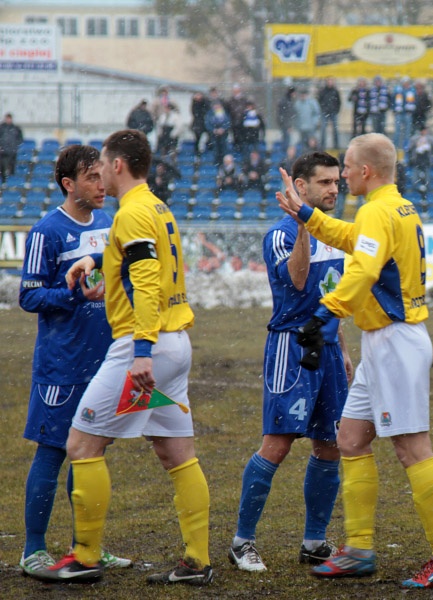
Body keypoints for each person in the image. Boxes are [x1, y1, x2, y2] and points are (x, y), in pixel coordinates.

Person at [275, 133, 433, 589]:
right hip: (385, 340)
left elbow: (362, 270)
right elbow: (356, 243)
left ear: (364, 171)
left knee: (412, 447)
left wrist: (326, 312)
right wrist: (307, 214)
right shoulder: (393, 205)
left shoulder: (378, 210)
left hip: (396, 341)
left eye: (346, 167)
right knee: (351, 437)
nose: (341, 175)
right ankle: (359, 548)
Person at [38, 129, 212, 586]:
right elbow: (135, 254)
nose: (100, 176)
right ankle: (197, 560)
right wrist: (93, 262)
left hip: (144, 347)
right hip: (175, 344)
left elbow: (147, 279)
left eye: (103, 167)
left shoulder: (133, 212)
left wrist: (140, 353)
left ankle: (85, 556)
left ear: (118, 164)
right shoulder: (153, 206)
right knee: (177, 453)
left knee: (81, 445)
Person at [228, 151, 351, 572]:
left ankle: (314, 541)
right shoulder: (281, 233)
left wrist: (345, 349)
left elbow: (334, 296)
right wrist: (302, 223)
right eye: (325, 182)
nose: (334, 189)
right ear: (300, 187)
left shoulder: (334, 232)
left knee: (331, 446)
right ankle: (242, 541)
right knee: (277, 445)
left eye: (337, 181)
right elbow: (298, 280)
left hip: (330, 349)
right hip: (291, 348)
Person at [17, 144, 131, 580]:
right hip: (62, 364)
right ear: (69, 184)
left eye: (103, 175)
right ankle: (32, 550)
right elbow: (28, 296)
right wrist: (71, 295)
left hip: (104, 361)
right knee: (52, 452)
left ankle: (87, 547)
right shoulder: (47, 231)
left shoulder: (108, 223)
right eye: (92, 178)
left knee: (92, 452)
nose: (103, 185)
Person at [392, 77, 416, 151]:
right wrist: (394, 110)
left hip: (407, 113)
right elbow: (393, 100)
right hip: (399, 113)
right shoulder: (398, 90)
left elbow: (414, 101)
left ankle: (406, 148)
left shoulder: (411, 91)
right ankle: (395, 147)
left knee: (407, 132)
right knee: (397, 131)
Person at [205, 100, 231, 167]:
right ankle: (216, 162)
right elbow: (208, 123)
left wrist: (223, 129)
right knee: (215, 148)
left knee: (224, 147)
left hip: (223, 135)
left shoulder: (224, 113)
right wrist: (214, 130)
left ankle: (224, 162)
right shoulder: (210, 113)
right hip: (214, 135)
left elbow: (228, 122)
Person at [317, 77, 342, 149]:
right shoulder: (323, 91)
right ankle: (322, 145)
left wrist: (337, 110)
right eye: (329, 81)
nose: (330, 83)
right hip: (325, 112)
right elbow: (319, 100)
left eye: (331, 81)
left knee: (335, 129)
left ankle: (336, 145)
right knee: (323, 129)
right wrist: (323, 109)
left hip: (333, 112)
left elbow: (339, 102)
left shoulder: (335, 91)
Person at [0, 112, 24, 183]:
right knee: (3, 167)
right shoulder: (2, 128)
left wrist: (16, 145)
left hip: (13, 151)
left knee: (12, 167)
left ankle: (11, 182)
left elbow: (20, 138)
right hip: (3, 152)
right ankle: (4, 182)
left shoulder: (15, 128)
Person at [190, 92, 211, 156]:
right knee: (197, 138)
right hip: (197, 124)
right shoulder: (194, 104)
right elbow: (194, 112)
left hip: (204, 123)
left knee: (206, 137)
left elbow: (206, 110)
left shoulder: (205, 102)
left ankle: (205, 148)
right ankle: (197, 151)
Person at [277, 87, 297, 151]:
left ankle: (285, 156)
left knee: (286, 140)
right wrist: (288, 126)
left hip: (284, 124)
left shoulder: (286, 100)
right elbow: (286, 115)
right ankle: (285, 157)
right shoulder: (287, 102)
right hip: (286, 125)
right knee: (286, 142)